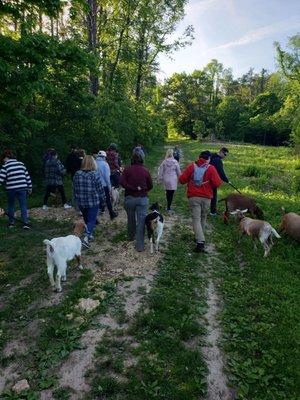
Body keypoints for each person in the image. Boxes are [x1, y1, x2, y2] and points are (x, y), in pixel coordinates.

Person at [179, 150, 222, 253]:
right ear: (208, 159)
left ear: (199, 157)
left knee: (196, 219)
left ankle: (200, 241)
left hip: (194, 197)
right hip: (207, 198)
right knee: (203, 218)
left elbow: (181, 180)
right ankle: (200, 239)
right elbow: (217, 183)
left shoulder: (191, 167)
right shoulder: (211, 168)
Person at [120, 152, 153, 252]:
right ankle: (140, 246)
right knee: (141, 221)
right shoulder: (145, 170)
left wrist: (131, 188)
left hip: (129, 198)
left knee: (131, 219)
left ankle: (130, 236)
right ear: (142, 159)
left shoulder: (127, 169)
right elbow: (150, 185)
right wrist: (142, 189)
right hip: (142, 198)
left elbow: (121, 182)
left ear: (132, 160)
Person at [73, 155, 105, 248]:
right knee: (92, 219)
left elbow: (74, 188)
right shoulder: (95, 174)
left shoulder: (77, 174)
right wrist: (103, 200)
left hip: (81, 201)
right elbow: (100, 189)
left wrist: (76, 200)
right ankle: (86, 238)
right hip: (93, 201)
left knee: (87, 219)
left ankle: (89, 234)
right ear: (92, 163)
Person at [0, 149, 32, 229]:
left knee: (11, 205)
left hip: (11, 189)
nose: (3, 160)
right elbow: (27, 176)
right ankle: (25, 223)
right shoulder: (21, 164)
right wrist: (30, 187)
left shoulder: (5, 166)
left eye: (3, 158)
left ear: (6, 157)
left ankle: (11, 223)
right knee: (23, 205)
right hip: (22, 187)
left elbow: (1, 179)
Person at [95, 150, 118, 220]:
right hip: (104, 185)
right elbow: (107, 177)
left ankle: (95, 218)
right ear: (104, 157)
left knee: (96, 200)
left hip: (95, 185)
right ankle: (111, 214)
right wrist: (109, 187)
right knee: (107, 199)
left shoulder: (94, 163)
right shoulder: (105, 164)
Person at [158, 148, 181, 213]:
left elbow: (160, 171)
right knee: (171, 193)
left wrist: (159, 179)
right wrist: (180, 178)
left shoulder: (164, 162)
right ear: (173, 154)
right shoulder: (175, 162)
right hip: (173, 179)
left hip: (166, 179)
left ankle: (168, 205)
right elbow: (178, 172)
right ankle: (169, 206)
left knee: (168, 192)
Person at [210, 147, 229, 215]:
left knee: (208, 194)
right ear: (221, 152)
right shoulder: (218, 160)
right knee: (214, 196)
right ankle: (213, 211)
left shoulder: (212, 156)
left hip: (207, 178)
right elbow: (221, 172)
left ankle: (208, 209)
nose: (225, 156)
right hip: (212, 180)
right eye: (225, 154)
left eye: (226, 155)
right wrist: (227, 180)